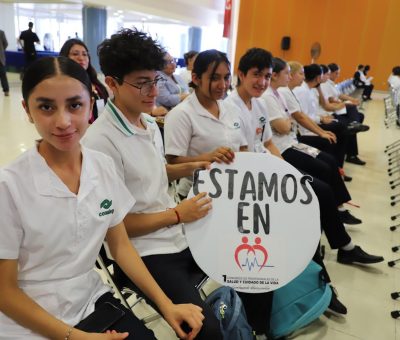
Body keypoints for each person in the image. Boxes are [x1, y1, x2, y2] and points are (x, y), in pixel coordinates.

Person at [0, 56, 205, 340]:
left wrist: (167, 306)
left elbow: (120, 246)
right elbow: (5, 292)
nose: (63, 121)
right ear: (27, 110)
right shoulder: (9, 186)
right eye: (46, 107)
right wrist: (77, 337)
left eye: (75, 105)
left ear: (90, 104)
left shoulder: (101, 166)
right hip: (28, 320)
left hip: (89, 301)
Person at [82, 28, 222, 340]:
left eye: (155, 80)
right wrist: (177, 214)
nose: (153, 91)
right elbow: (117, 229)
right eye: (142, 83)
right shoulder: (99, 142)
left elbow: (154, 174)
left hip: (179, 233)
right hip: (145, 250)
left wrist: (193, 165)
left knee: (244, 270)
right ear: (112, 84)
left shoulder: (147, 123)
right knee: (204, 327)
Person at [225, 47, 348, 316]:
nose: (262, 82)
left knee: (314, 197)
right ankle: (317, 281)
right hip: (249, 184)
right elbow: (245, 158)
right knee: (307, 209)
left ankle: (318, 282)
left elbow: (268, 142)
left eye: (267, 76)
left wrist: (287, 172)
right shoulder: (230, 108)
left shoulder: (258, 102)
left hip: (268, 172)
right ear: (241, 74)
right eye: (257, 75)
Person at [164, 48, 274, 339]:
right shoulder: (182, 115)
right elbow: (171, 164)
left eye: (226, 78)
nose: (223, 85)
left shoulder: (232, 110)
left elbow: (242, 152)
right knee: (244, 253)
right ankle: (242, 320)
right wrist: (208, 157)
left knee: (264, 247)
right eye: (215, 78)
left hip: (234, 193)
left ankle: (257, 326)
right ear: (196, 78)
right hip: (198, 197)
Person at [259, 57, 384, 260]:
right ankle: (341, 237)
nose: (292, 76)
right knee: (324, 174)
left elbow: (290, 123)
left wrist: (292, 124)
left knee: (328, 163)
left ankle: (338, 212)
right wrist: (294, 126)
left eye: (295, 73)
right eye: (288, 73)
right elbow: (287, 125)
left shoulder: (277, 94)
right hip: (283, 150)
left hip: (288, 145)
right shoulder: (269, 96)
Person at [60, 38, 109, 123]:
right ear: (65, 57)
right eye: (75, 54)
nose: (81, 58)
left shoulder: (95, 83)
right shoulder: (61, 85)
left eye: (85, 54)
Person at [0, 29, 9, 96]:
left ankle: (6, 90)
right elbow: (5, 44)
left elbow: (5, 44)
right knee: (3, 74)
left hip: (0, 58)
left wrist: (2, 50)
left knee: (3, 74)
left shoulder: (1, 32)